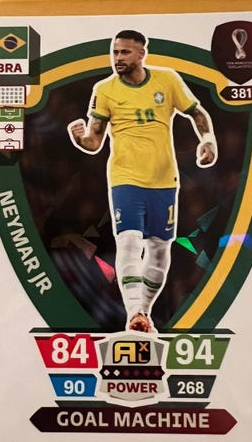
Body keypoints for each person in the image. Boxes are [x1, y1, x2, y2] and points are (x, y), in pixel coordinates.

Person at [68, 29, 217, 333]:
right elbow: (94, 142)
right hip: (125, 177)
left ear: (141, 54)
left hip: (163, 180)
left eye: (124, 52)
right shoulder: (104, 89)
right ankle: (134, 310)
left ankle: (143, 313)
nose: (117, 58)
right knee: (129, 241)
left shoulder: (168, 80)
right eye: (115, 52)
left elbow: (197, 113)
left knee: (160, 249)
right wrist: (79, 138)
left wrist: (208, 139)